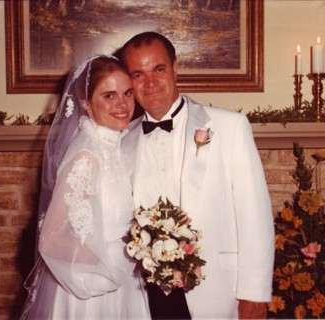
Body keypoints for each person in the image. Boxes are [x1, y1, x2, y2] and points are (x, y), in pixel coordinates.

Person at [117, 32, 275, 319]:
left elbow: (255, 217)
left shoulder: (230, 127)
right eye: (138, 74)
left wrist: (254, 294)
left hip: (218, 293)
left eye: (159, 69)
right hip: (143, 297)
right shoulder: (122, 141)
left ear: (176, 68)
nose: (150, 83)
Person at [20, 55, 150, 319]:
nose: (123, 104)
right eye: (109, 96)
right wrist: (116, 257)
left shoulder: (113, 145)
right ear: (86, 103)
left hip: (122, 285)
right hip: (91, 293)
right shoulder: (86, 156)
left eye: (127, 93)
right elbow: (51, 239)